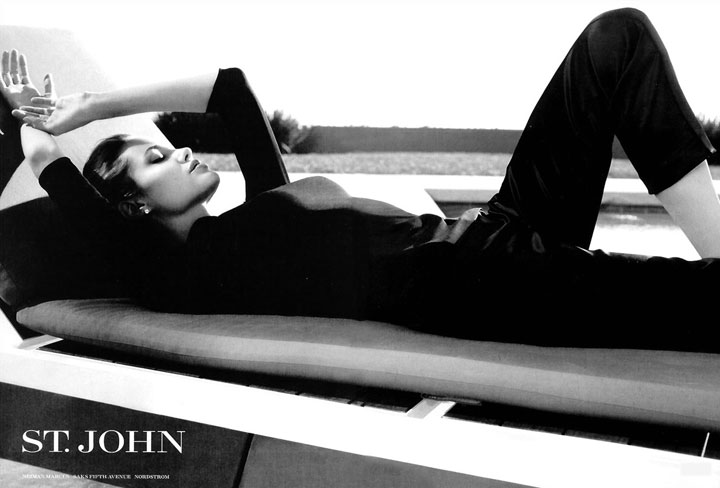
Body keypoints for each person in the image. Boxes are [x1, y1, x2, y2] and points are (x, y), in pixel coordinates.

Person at [2, 8, 718, 350]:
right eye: (156, 159)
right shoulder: (182, 274)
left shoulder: (258, 208)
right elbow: (55, 174)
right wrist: (40, 136)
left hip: (496, 230)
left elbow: (230, 87)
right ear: (130, 207)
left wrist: (95, 105)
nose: (180, 151)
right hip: (478, 282)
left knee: (615, 38)